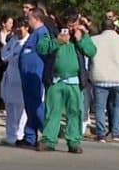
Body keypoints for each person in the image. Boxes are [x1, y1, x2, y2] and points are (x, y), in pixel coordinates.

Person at [36, 16, 96, 153]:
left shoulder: (81, 35)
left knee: (75, 112)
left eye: (75, 24)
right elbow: (41, 48)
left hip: (74, 82)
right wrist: (57, 41)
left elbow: (92, 51)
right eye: (70, 24)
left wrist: (81, 39)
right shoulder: (51, 33)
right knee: (52, 112)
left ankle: (74, 141)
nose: (72, 28)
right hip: (55, 81)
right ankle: (49, 140)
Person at [89, 17, 119, 142]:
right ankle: (116, 132)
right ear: (114, 27)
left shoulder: (93, 40)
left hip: (100, 77)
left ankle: (101, 133)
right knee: (118, 106)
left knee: (100, 107)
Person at [18, 8, 52, 148]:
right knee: (30, 106)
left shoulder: (42, 33)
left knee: (37, 105)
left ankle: (49, 135)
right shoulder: (34, 34)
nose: (27, 21)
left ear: (37, 19)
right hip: (26, 75)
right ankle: (30, 136)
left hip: (35, 74)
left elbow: (44, 51)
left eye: (29, 18)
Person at [0, 17, 30, 146]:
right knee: (10, 107)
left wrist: (13, 57)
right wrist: (11, 57)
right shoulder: (13, 40)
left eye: (20, 27)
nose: (18, 30)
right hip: (10, 75)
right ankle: (10, 135)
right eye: (16, 27)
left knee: (21, 109)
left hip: (22, 77)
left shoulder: (29, 41)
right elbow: (4, 55)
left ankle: (20, 135)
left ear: (27, 28)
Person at [0, 15, 15, 111]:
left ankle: (6, 102)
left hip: (8, 61)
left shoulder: (13, 35)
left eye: (12, 23)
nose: (11, 25)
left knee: (7, 82)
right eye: (9, 23)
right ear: (3, 23)